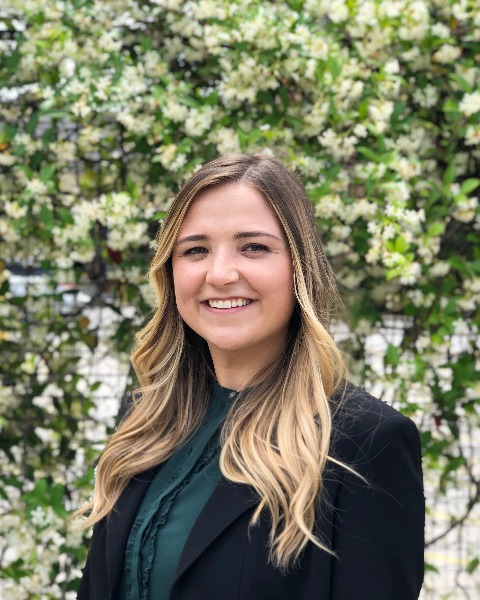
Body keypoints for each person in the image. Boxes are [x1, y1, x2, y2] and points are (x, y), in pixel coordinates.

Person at [77, 154, 424, 600]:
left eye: (254, 247)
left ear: (300, 267)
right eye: (195, 250)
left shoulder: (365, 444)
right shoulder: (147, 420)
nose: (220, 274)